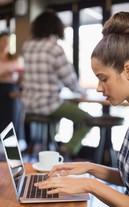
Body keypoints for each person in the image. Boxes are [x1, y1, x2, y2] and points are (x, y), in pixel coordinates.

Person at [35, 11, 129, 207]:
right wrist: (89, 167)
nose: (99, 88)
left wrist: (91, 185)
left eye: (103, 78)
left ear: (128, 70)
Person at [21, 10, 91, 156]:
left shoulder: (27, 47)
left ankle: (47, 146)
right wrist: (82, 92)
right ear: (56, 27)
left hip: (28, 106)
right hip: (48, 105)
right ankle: (66, 149)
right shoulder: (54, 48)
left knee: (57, 116)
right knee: (88, 119)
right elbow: (69, 80)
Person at [0, 30, 24, 137]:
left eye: (8, 41)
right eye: (4, 40)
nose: (6, 43)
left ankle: (11, 139)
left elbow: (21, 80)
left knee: (12, 95)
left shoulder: (16, 59)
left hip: (13, 91)